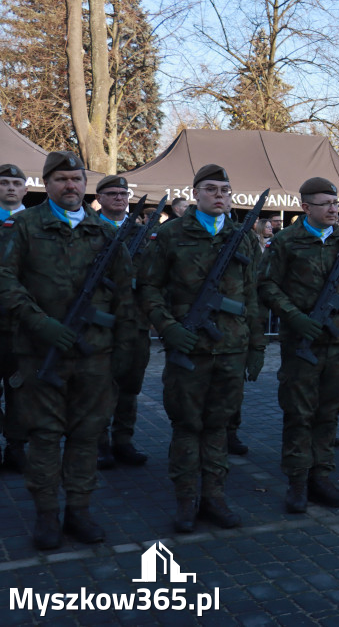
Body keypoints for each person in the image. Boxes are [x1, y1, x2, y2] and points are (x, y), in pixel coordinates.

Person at [0, 152, 135, 550]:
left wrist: (125, 349)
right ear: (47, 184)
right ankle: (46, 515)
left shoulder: (103, 231)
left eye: (76, 179)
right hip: (39, 354)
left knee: (86, 436)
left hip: (94, 355)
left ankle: (79, 510)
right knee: (44, 437)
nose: (71, 186)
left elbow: (126, 292)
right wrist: (39, 322)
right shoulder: (22, 226)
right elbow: (5, 280)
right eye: (61, 179)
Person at [138, 164, 265, 533]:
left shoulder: (242, 238)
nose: (220, 195)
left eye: (225, 189)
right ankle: (185, 500)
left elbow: (252, 296)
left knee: (218, 428)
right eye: (211, 189)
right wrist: (167, 328)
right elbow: (148, 288)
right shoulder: (170, 235)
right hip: (189, 349)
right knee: (187, 427)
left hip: (230, 350)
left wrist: (257, 345)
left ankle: (214, 497)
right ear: (195, 194)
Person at [258, 177, 339, 514]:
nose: (334, 209)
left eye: (336, 204)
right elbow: (267, 285)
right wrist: (294, 316)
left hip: (337, 344)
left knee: (329, 414)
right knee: (299, 414)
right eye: (326, 204)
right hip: (301, 343)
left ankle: (321, 476)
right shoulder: (285, 242)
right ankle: (297, 480)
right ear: (306, 207)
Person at [94, 175, 150, 469]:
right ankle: (99, 443)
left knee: (130, 384)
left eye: (123, 193)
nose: (119, 198)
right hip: (100, 322)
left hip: (136, 321)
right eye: (112, 193)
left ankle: (123, 441)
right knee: (100, 383)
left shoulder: (144, 232)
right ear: (99, 197)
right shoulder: (88, 230)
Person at [0, 163, 29, 473]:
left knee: (20, 389)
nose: (9, 187)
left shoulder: (36, 225)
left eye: (15, 183)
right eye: (4, 182)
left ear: (25, 189)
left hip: (22, 323)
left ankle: (16, 447)